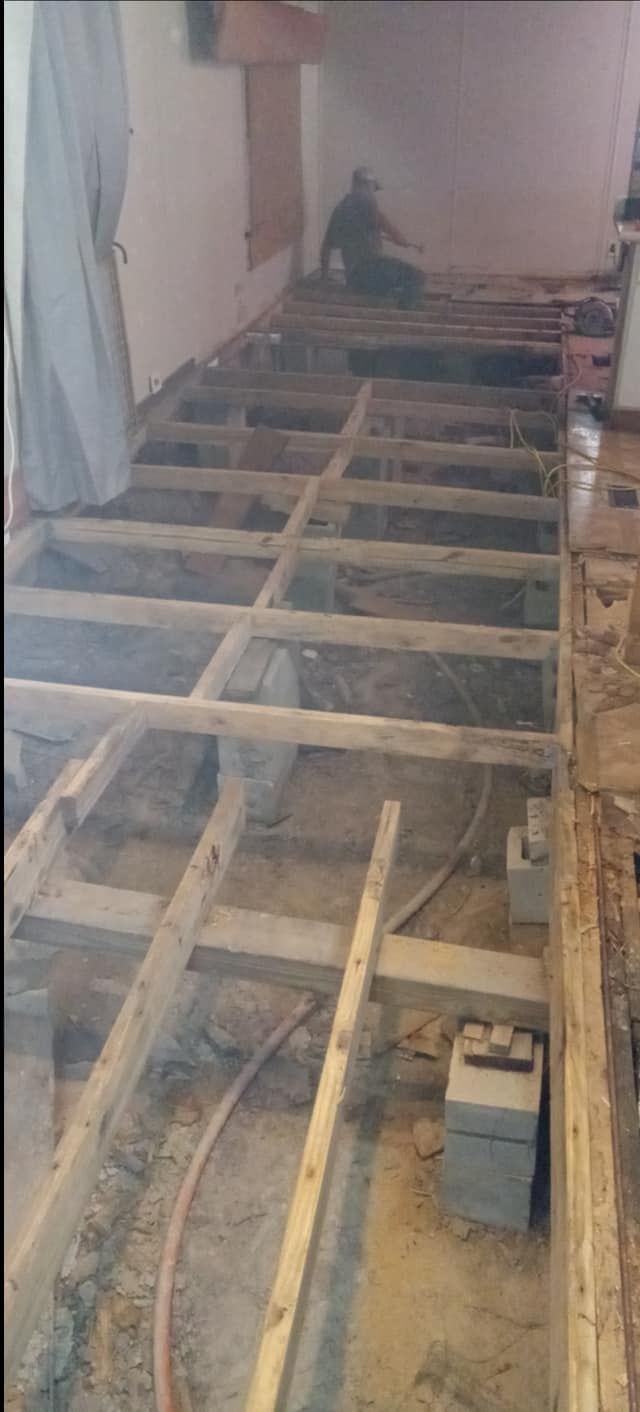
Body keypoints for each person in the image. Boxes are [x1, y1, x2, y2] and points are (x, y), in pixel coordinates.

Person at [320, 167, 425, 308]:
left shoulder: (340, 208)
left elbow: (326, 248)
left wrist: (324, 279)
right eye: (372, 188)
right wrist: (401, 239)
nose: (372, 192)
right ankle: (408, 316)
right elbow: (390, 229)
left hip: (355, 280)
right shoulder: (369, 203)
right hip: (372, 271)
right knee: (416, 276)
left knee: (392, 287)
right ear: (366, 185)